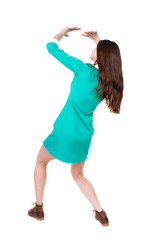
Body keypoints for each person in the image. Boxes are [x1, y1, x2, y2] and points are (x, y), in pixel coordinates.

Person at [28, 26, 124, 227]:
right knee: (78, 175)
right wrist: (97, 41)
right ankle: (100, 213)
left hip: (64, 131)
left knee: (40, 162)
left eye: (98, 49)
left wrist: (62, 32)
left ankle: (38, 208)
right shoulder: (107, 83)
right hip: (83, 136)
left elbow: (51, 48)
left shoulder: (83, 70)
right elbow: (107, 61)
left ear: (100, 56)